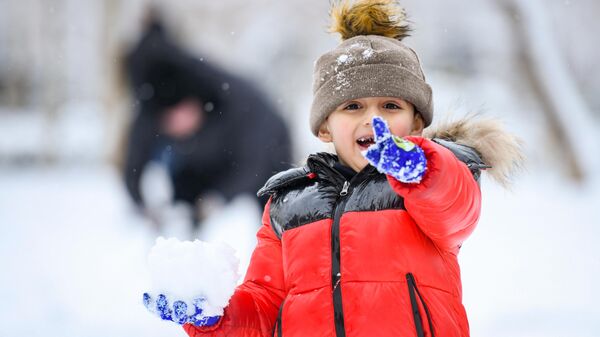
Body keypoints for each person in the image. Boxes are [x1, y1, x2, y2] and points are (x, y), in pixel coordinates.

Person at [143, 1, 523, 336]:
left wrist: (420, 169)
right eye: (353, 107)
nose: (373, 119)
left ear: (417, 123)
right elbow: (263, 306)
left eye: (391, 106)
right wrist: (212, 316)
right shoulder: (288, 205)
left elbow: (454, 205)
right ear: (325, 127)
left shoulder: (428, 188)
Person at [122, 16, 292, 224]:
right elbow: (134, 159)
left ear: (194, 104)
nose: (174, 130)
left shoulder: (239, 102)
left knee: (272, 214)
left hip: (266, 153)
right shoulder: (155, 104)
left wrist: (219, 198)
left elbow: (254, 162)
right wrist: (140, 203)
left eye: (177, 119)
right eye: (167, 124)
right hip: (206, 159)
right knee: (185, 195)